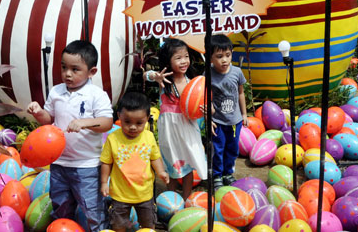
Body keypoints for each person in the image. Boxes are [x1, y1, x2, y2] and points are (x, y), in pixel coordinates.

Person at [27, 40, 113, 232]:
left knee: (92, 209)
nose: (67, 74)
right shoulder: (56, 91)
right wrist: (38, 111)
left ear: (92, 72)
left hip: (87, 165)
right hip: (59, 163)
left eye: (75, 69)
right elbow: (48, 119)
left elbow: (107, 122)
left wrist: (85, 123)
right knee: (60, 205)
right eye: (64, 67)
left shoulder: (96, 95)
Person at [144, 38, 207, 200]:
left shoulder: (192, 82)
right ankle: (171, 200)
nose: (184, 61)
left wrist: (206, 113)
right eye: (178, 58)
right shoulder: (164, 80)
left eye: (186, 56)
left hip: (188, 127)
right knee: (172, 166)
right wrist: (155, 76)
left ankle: (186, 199)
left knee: (187, 166)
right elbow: (146, 75)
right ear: (168, 61)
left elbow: (203, 103)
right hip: (169, 130)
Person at [100, 92, 169, 232]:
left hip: (145, 193)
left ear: (147, 119)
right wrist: (103, 182)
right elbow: (106, 162)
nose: (133, 127)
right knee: (118, 224)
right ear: (119, 116)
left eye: (139, 123)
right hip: (120, 194)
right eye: (127, 122)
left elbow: (154, 157)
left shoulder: (148, 137)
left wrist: (161, 171)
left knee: (148, 223)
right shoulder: (113, 138)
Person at [209, 34, 248, 190]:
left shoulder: (237, 72)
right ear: (210, 58)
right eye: (219, 56)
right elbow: (204, 98)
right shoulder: (209, 74)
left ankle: (227, 173)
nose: (224, 60)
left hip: (235, 121)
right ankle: (217, 175)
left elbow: (240, 93)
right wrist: (208, 118)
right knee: (218, 149)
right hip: (217, 121)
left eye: (228, 55)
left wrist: (244, 114)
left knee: (232, 149)